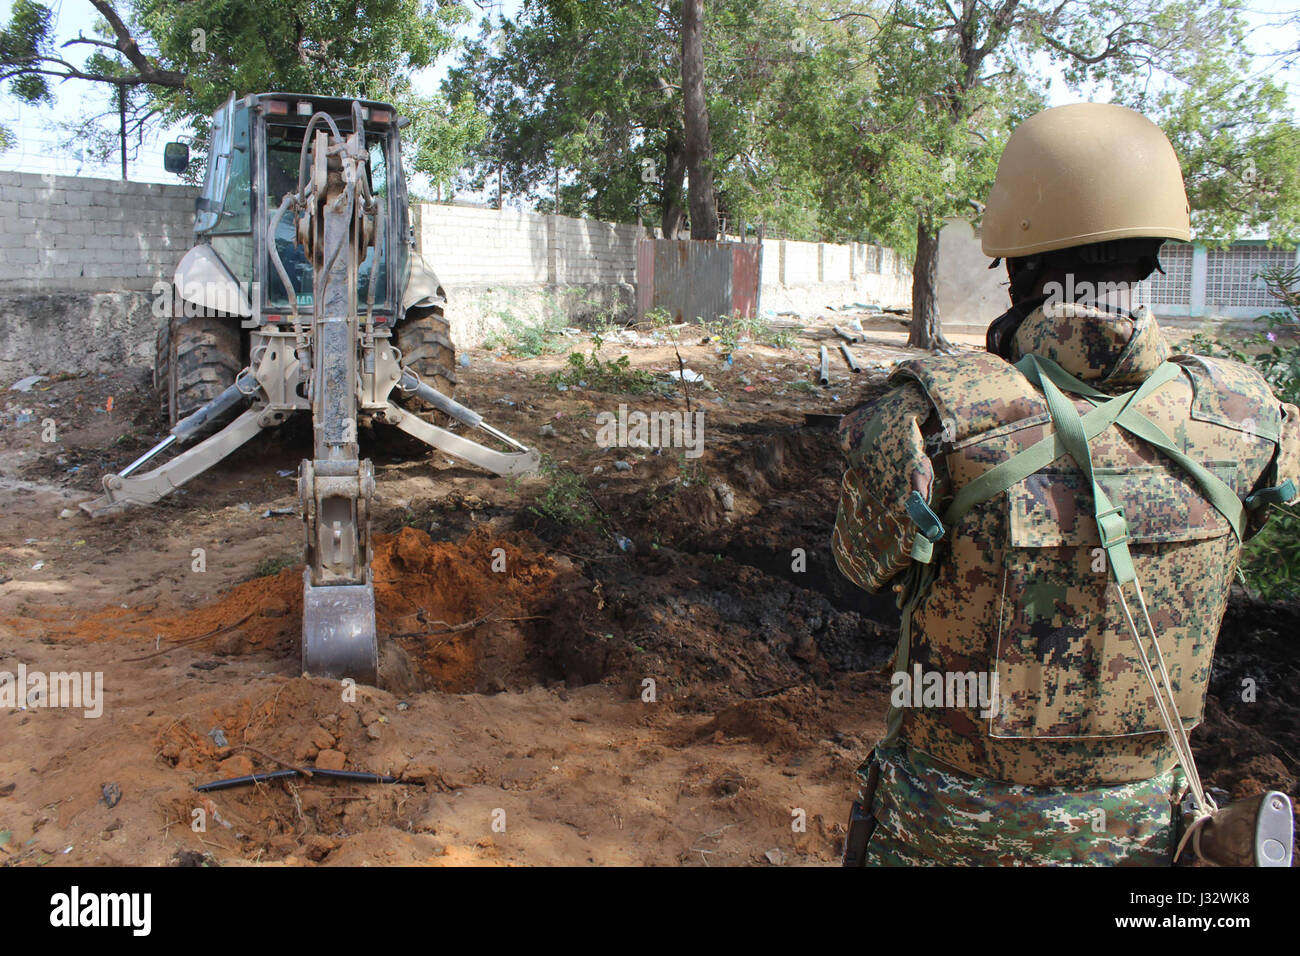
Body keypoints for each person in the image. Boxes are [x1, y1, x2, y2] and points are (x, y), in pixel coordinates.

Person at [834, 102, 1300, 866]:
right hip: (1151, 840)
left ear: (1017, 266)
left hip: (947, 835)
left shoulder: (926, 418)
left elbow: (861, 566)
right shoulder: (1248, 420)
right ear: (1156, 257)